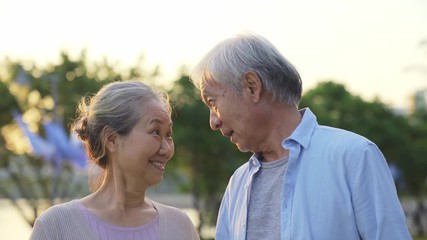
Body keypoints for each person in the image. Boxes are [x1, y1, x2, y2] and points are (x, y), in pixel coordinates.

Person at [190, 32, 411, 240]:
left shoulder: (354, 157)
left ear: (252, 87)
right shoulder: (237, 183)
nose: (213, 122)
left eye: (213, 103)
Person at [30, 80, 199, 240]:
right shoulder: (55, 227)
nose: (167, 149)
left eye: (168, 135)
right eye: (155, 132)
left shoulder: (180, 227)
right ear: (111, 139)